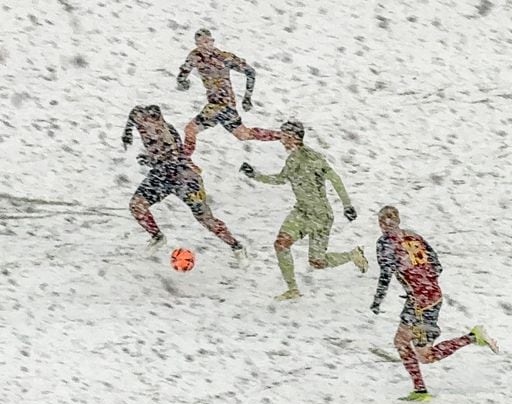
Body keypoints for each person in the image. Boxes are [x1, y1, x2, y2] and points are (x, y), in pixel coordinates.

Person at [369, 205, 499, 401]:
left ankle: (471, 338)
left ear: (380, 223)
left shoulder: (386, 243)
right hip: (432, 296)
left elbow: (386, 275)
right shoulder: (413, 236)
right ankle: (421, 389)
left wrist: (378, 300)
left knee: (419, 352)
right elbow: (437, 265)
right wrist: (424, 282)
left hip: (419, 303)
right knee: (406, 343)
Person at [240, 120, 366, 300]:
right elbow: (281, 179)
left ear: (296, 137)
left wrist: (347, 205)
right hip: (301, 211)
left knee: (317, 262)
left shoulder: (313, 158)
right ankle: (292, 289)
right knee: (281, 244)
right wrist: (255, 175)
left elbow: (335, 178)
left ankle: (353, 256)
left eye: (285, 136)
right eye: (282, 135)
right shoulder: (291, 159)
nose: (282, 140)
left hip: (320, 216)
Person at [121, 104, 247, 262]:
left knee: (204, 217)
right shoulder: (142, 126)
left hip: (183, 177)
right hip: (162, 176)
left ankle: (236, 246)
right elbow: (132, 116)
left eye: (148, 122)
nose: (143, 127)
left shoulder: (165, 133)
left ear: (159, 120)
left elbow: (172, 158)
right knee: (137, 206)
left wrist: (151, 160)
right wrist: (127, 132)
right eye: (141, 123)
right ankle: (157, 236)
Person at [176, 28, 280, 156]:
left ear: (212, 41)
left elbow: (250, 72)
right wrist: (182, 81)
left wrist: (247, 97)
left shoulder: (224, 57)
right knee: (243, 134)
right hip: (221, 104)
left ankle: (183, 161)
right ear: (197, 44)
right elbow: (183, 73)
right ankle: (282, 136)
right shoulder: (195, 56)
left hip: (220, 105)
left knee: (190, 129)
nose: (205, 45)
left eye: (208, 41)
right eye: (201, 43)